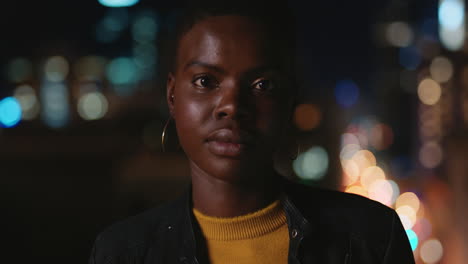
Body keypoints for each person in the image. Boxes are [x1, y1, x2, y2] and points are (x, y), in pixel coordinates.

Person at [89, 1, 415, 263]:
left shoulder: (369, 239)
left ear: (290, 100)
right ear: (172, 96)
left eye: (262, 85)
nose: (231, 105)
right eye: (206, 81)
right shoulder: (124, 252)